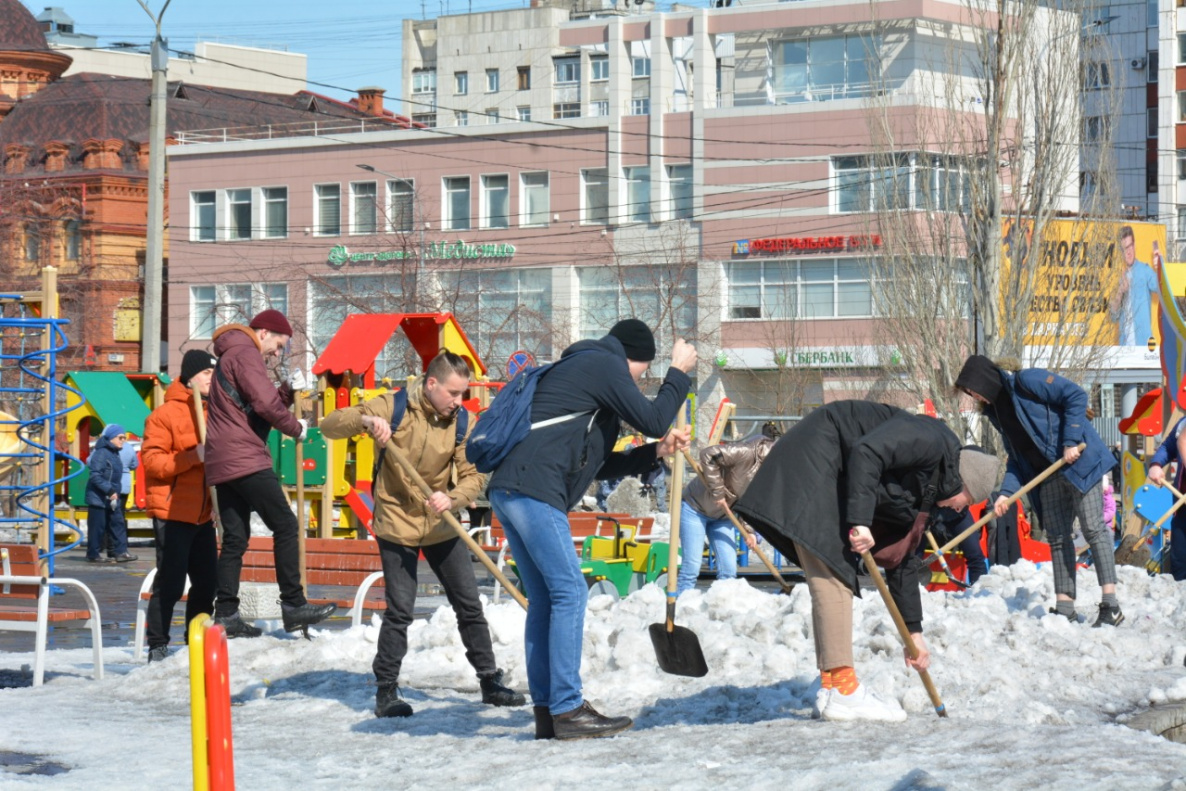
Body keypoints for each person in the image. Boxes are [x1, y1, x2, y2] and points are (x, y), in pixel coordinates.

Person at [487, 319, 696, 740]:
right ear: (635, 358)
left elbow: (599, 464)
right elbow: (655, 417)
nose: (638, 382)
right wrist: (679, 373)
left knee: (546, 598)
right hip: (534, 490)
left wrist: (655, 452)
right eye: (645, 371)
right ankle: (567, 708)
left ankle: (548, 711)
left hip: (512, 490)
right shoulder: (603, 366)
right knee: (570, 591)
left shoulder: (582, 380)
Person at [734, 401, 999, 722]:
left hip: (831, 475)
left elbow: (902, 557)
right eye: (966, 502)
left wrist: (912, 632)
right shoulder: (931, 441)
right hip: (817, 458)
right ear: (962, 482)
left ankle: (833, 685)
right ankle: (844, 690)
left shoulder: (926, 492)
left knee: (831, 573)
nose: (961, 509)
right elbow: (867, 451)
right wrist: (859, 521)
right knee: (833, 573)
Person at [320, 351, 525, 717]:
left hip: (439, 521)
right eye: (453, 393)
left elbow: (474, 474)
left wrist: (453, 497)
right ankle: (387, 690)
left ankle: (490, 681)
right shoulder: (393, 406)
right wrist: (367, 421)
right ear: (431, 384)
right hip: (396, 521)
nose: (458, 402)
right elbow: (330, 425)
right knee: (400, 609)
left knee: (469, 604)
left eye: (462, 394)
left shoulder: (463, 422)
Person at [955, 355, 1122, 626]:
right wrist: (1006, 493)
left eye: (971, 389)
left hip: (1081, 462)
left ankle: (1111, 605)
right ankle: (1065, 607)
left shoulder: (1027, 381)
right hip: (1048, 476)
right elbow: (1017, 458)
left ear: (982, 380)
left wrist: (1070, 441)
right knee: (1057, 537)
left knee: (1093, 528)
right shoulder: (997, 414)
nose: (972, 396)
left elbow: (1075, 396)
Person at [205, 308, 335, 637]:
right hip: (244, 458)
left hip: (223, 461)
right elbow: (264, 407)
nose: (279, 352)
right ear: (263, 332)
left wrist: (288, 392)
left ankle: (226, 614)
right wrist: (297, 428)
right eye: (279, 344)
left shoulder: (231, 355)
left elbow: (253, 411)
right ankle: (293, 605)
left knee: (235, 539)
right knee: (286, 525)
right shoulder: (246, 353)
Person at [141, 350, 218, 662]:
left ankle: (194, 642)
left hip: (203, 514)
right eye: (206, 374)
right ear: (190, 377)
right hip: (172, 512)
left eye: (214, 374)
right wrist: (191, 456)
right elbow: (152, 462)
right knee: (171, 582)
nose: (212, 379)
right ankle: (158, 644)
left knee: (206, 583)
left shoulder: (216, 411)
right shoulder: (164, 415)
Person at [676, 430, 774, 595]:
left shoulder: (769, 474)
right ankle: (678, 609)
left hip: (722, 517)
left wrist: (749, 531)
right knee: (691, 567)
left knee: (729, 570)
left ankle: (722, 611)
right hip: (695, 508)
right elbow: (708, 455)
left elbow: (749, 502)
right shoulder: (747, 451)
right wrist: (718, 493)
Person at [86, 424, 137, 562]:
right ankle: (93, 554)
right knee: (98, 527)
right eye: (120, 437)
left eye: (124, 438)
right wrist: (109, 490)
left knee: (118, 523)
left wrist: (114, 491)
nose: (123, 441)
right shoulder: (101, 453)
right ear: (111, 438)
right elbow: (95, 475)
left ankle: (120, 552)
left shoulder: (114, 453)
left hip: (112, 496)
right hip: (99, 497)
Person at [1145, 417, 1186, 580]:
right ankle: (1181, 594)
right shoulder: (1183, 424)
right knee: (1181, 552)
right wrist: (1156, 464)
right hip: (1181, 500)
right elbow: (1167, 447)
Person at [1109, 226, 1159, 346]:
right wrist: (1120, 292)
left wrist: (1160, 268)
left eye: (1130, 246)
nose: (1128, 252)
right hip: (1124, 348)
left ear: (1134, 245)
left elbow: (1160, 288)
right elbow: (1113, 316)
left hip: (1143, 347)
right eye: (1124, 249)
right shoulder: (1118, 278)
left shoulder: (1145, 270)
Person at [105, 430, 140, 560]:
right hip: (124, 484)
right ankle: (120, 548)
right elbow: (135, 464)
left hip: (111, 485)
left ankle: (111, 547)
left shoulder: (108, 449)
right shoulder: (129, 448)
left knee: (112, 517)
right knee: (120, 516)